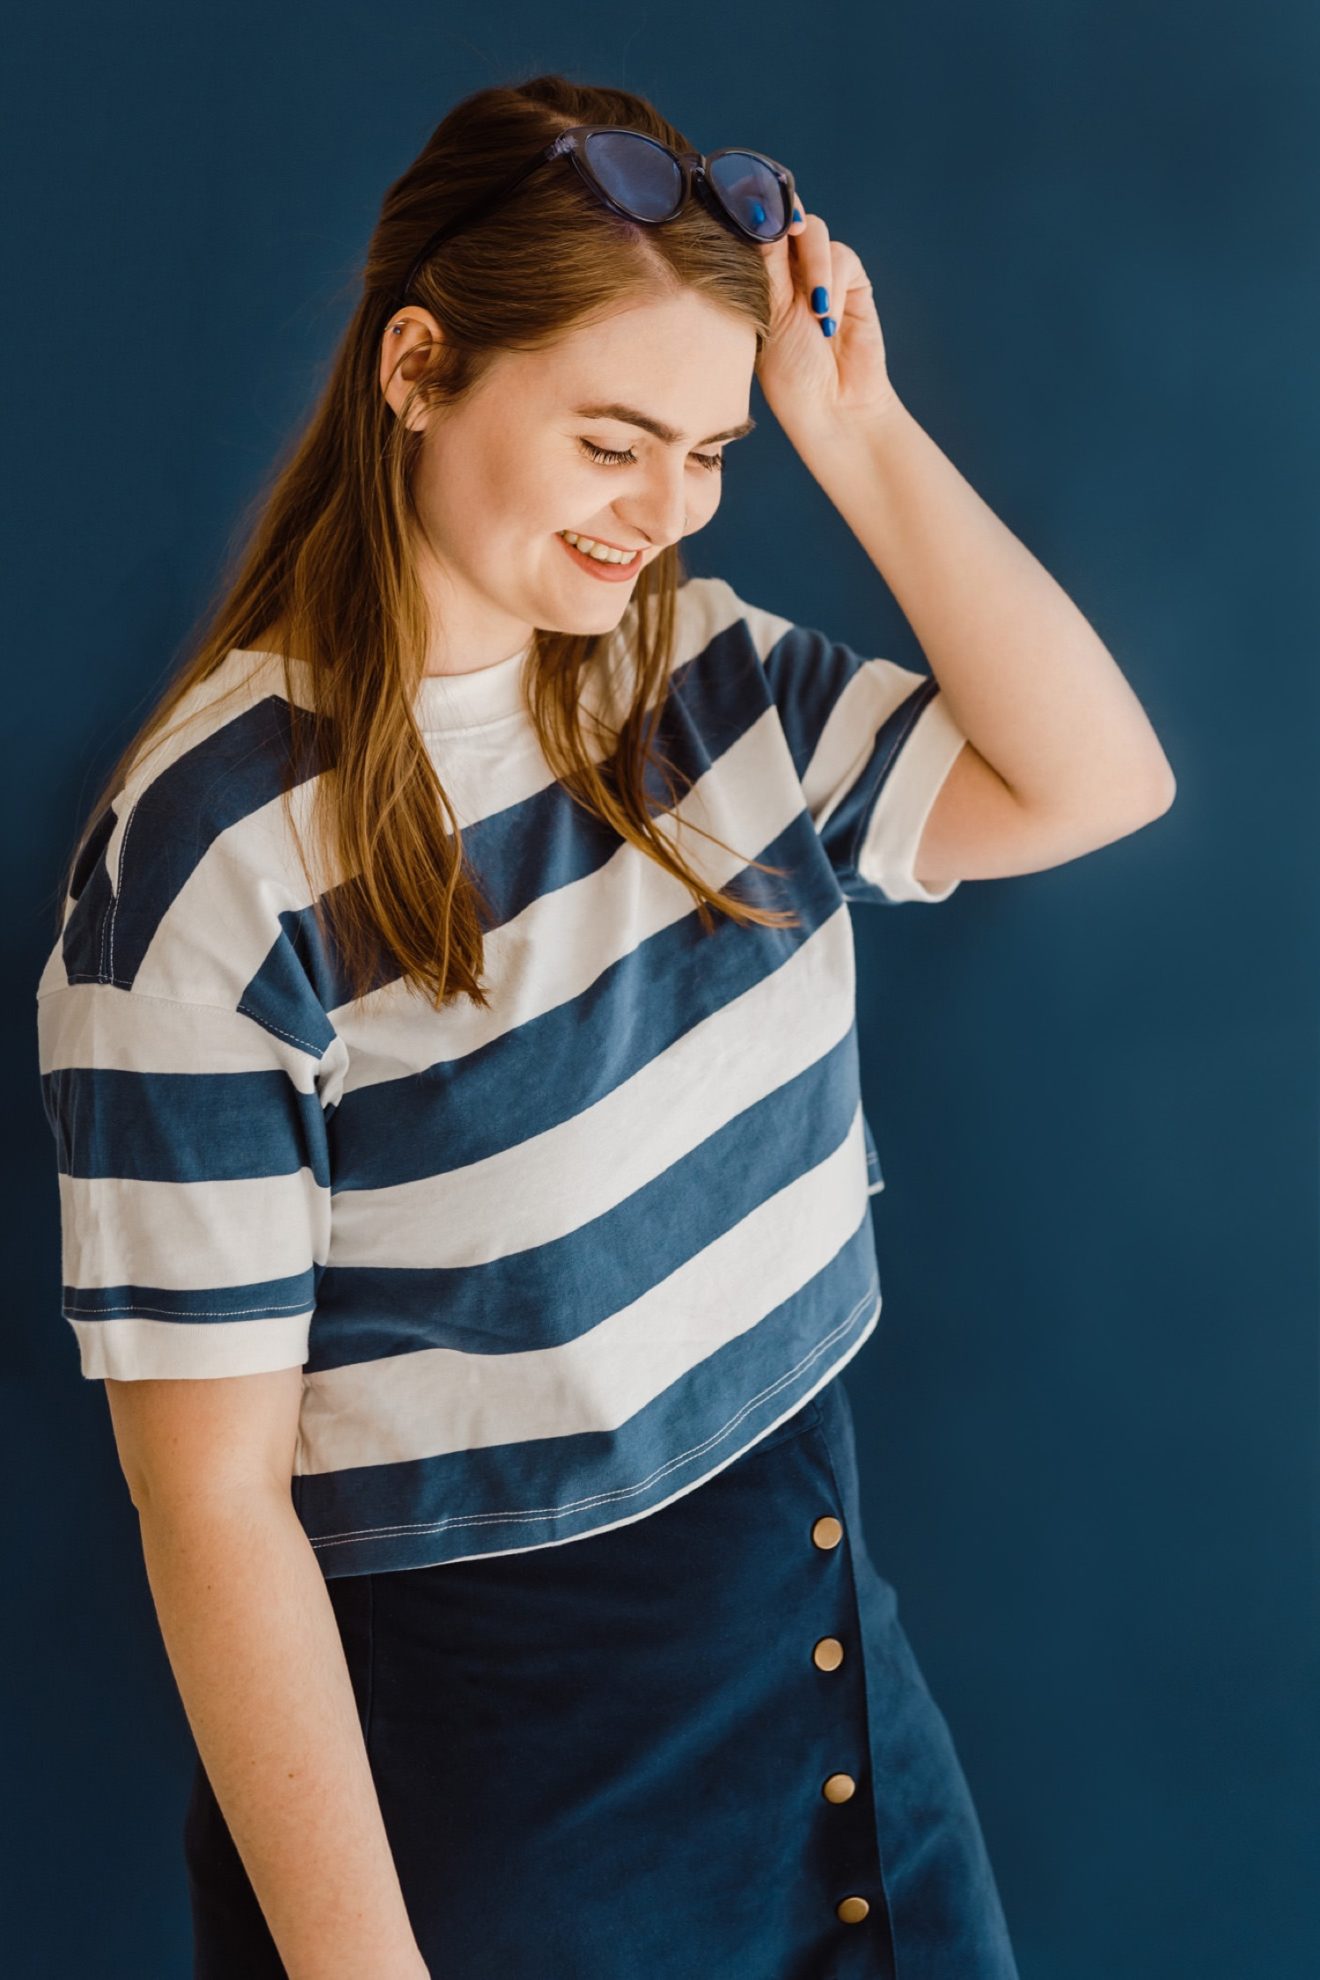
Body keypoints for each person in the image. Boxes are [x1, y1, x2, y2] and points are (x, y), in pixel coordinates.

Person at [35, 71, 1174, 1980]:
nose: (666, 510)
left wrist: (856, 429)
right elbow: (207, 1506)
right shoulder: (208, 867)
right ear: (418, 368)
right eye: (611, 441)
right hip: (496, 1822)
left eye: (709, 452)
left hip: (832, 1700)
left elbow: (1094, 782)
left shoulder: (702, 681)